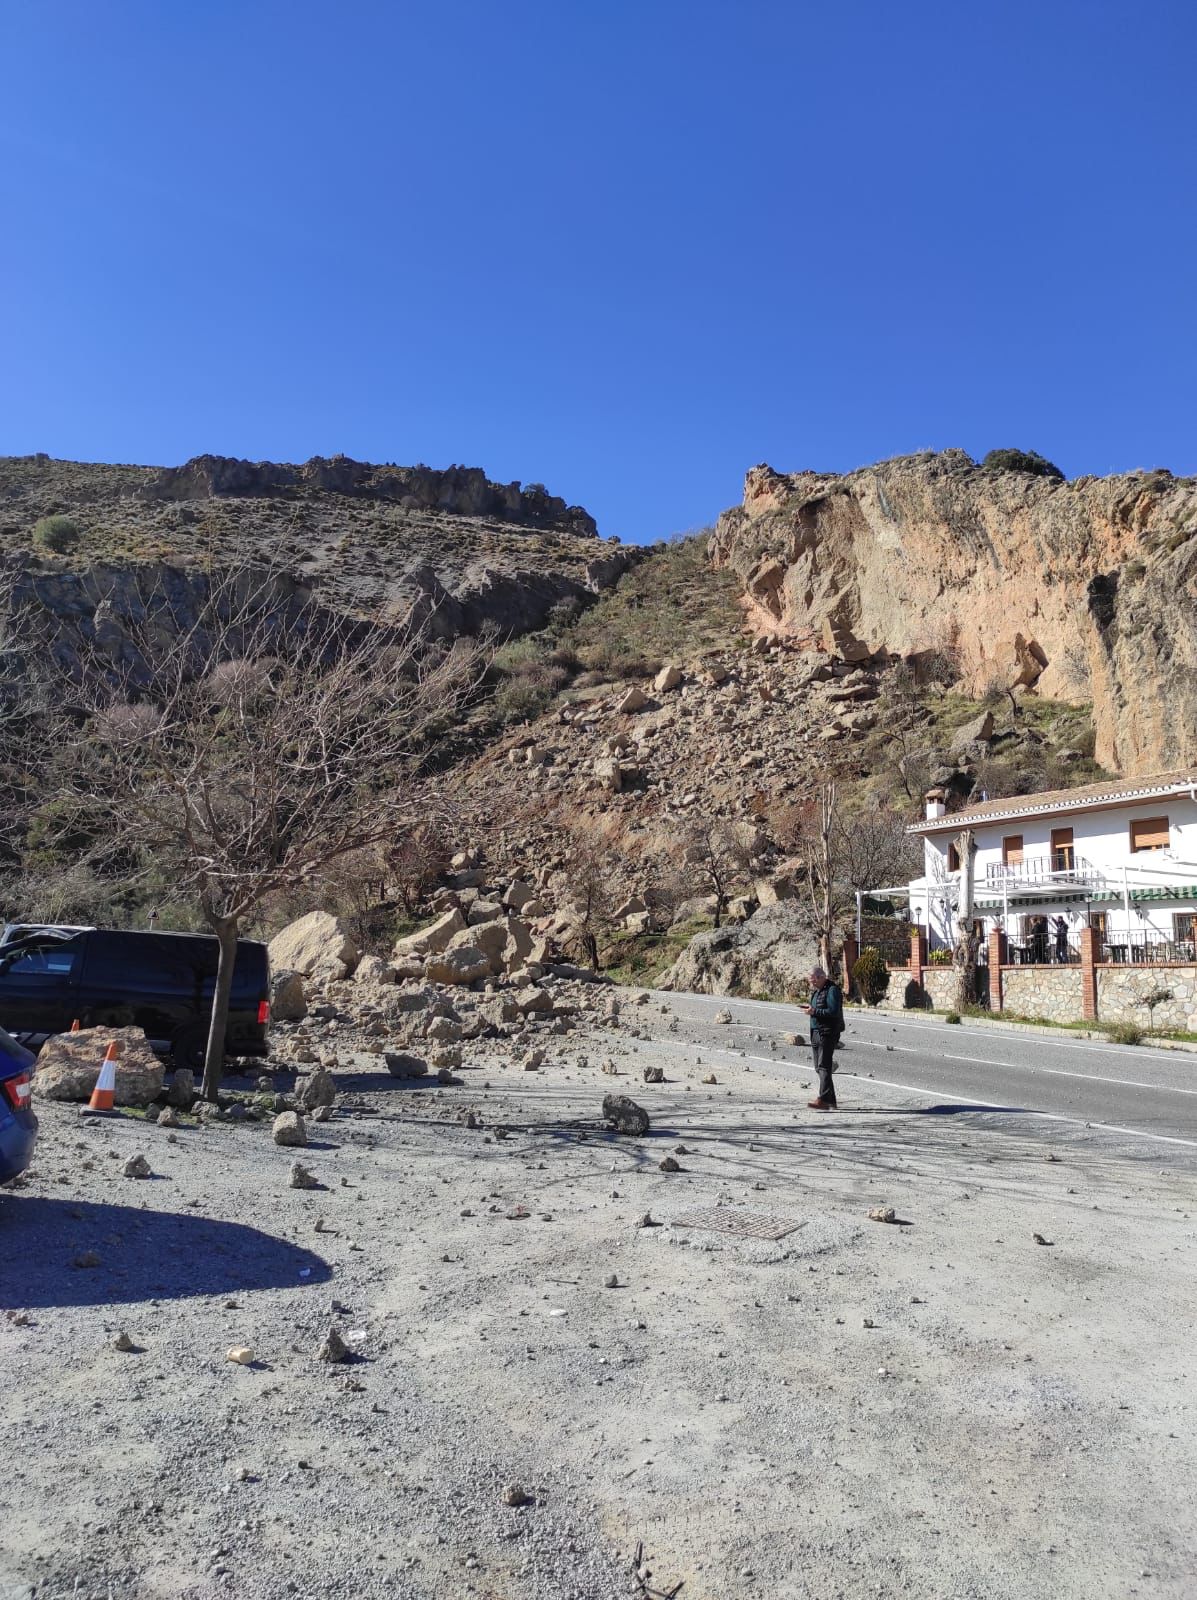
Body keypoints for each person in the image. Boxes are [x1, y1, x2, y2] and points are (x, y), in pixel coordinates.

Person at [803, 966, 844, 1110]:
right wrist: (811, 1009)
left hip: (827, 1032)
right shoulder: (818, 991)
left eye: (813, 980)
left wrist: (814, 1011)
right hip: (815, 1032)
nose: (811, 983)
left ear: (821, 977)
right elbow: (817, 1009)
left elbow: (833, 1011)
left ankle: (823, 1099)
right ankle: (831, 1101)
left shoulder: (832, 990)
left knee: (824, 1066)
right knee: (819, 1067)